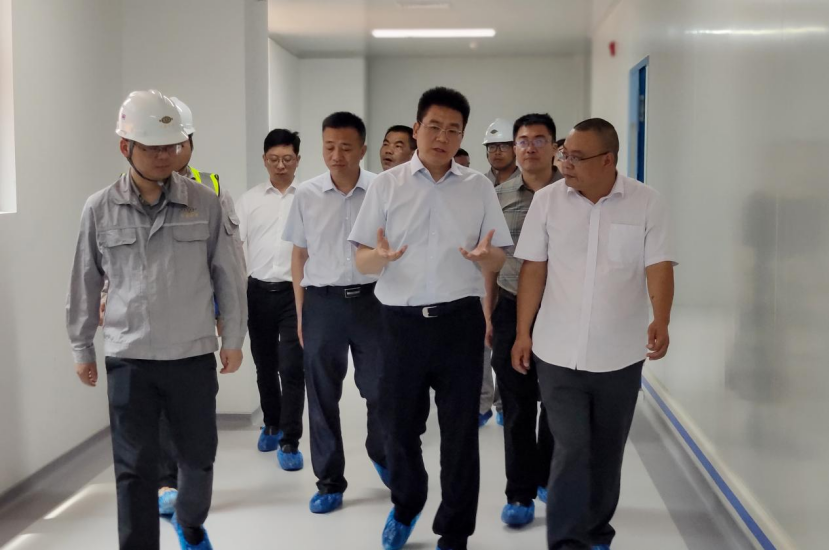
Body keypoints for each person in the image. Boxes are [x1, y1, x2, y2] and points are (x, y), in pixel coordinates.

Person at [67, 90, 248, 551]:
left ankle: (190, 522)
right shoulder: (99, 208)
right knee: (133, 470)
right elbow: (85, 280)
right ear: (125, 146)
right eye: (152, 147)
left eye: (172, 145)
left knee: (199, 458)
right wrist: (82, 346)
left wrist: (233, 337)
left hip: (191, 355)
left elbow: (228, 274)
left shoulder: (205, 202)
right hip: (130, 359)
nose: (165, 155)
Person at [350, 87, 513, 551]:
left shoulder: (478, 187)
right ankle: (407, 502)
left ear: (462, 136)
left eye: (453, 130)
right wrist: (380, 257)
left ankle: (455, 530)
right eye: (434, 127)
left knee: (461, 432)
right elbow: (361, 258)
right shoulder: (386, 185)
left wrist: (486, 257)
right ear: (417, 128)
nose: (442, 137)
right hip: (398, 324)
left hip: (459, 323)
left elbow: (499, 255)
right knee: (398, 426)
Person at [512, 118, 677, 551]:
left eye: (576, 157)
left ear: (608, 160)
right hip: (557, 352)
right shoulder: (547, 201)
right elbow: (534, 268)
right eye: (563, 154)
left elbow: (658, 264)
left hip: (619, 356)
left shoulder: (646, 203)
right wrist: (523, 332)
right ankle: (566, 541)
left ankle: (598, 532)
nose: (564, 163)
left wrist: (661, 318)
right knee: (570, 447)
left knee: (606, 451)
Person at [282, 112, 389, 516]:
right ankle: (329, 482)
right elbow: (299, 255)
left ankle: (381, 450)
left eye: (346, 147)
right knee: (322, 394)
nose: (336, 155)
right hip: (322, 303)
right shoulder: (307, 194)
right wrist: (301, 312)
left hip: (373, 302)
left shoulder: (382, 189)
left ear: (362, 149)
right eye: (329, 147)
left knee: (380, 388)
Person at [485, 113, 560, 528]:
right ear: (514, 148)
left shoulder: (572, 193)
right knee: (515, 403)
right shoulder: (496, 197)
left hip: (560, 311)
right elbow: (490, 262)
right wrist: (488, 313)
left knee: (556, 400)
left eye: (539, 139)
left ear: (555, 147)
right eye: (523, 140)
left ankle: (546, 474)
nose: (530, 147)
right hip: (511, 307)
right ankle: (519, 492)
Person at [237, 129, 306, 471]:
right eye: (274, 159)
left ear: (297, 160)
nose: (281, 165)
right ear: (264, 160)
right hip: (258, 292)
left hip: (296, 293)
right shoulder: (248, 201)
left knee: (292, 366)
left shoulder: (307, 197)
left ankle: (290, 440)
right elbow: (236, 248)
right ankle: (271, 423)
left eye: (287, 159)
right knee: (264, 364)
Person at [483, 118, 520, 186]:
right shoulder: (477, 184)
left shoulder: (528, 184)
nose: (497, 152)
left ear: (515, 149)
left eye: (504, 146)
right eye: (492, 147)